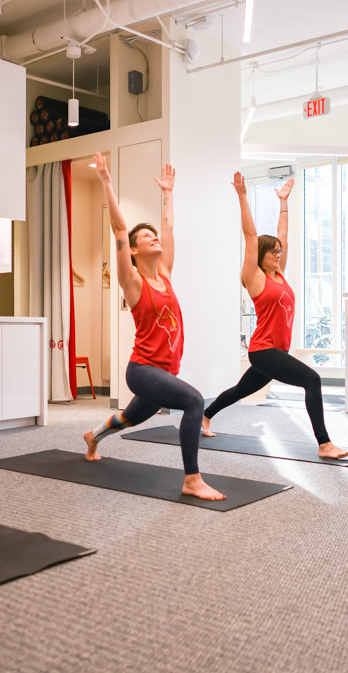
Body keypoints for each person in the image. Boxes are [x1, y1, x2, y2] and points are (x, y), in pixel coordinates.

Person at [82, 153, 224, 501]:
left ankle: (93, 436)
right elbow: (118, 228)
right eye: (145, 237)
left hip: (163, 370)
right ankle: (192, 479)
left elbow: (169, 228)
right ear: (132, 250)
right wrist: (105, 179)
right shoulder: (132, 282)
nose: (153, 238)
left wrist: (168, 193)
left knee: (131, 418)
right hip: (143, 369)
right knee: (193, 401)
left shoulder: (166, 275)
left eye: (153, 234)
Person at [202, 173, 348, 460]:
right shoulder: (254, 277)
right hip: (263, 350)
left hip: (275, 350)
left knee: (239, 390)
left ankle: (205, 415)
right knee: (312, 379)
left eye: (279, 252)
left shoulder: (279, 274)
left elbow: (282, 236)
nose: (278, 254)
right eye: (272, 252)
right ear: (261, 255)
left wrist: (284, 204)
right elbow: (249, 235)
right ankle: (324, 443)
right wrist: (242, 196)